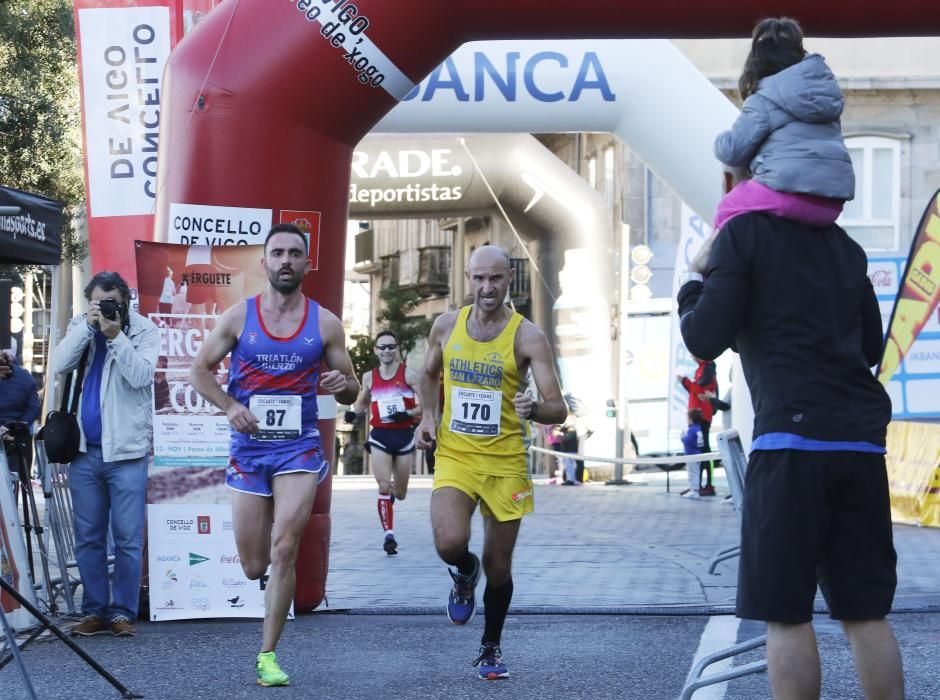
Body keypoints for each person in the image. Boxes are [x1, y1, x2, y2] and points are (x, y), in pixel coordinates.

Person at [677, 166, 904, 699]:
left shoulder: (743, 235)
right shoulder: (843, 244)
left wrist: (694, 279)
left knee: (783, 613)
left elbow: (703, 336)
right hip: (860, 444)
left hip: (791, 447)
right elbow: (870, 347)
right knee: (866, 612)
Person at [190, 223, 359, 688]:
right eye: (278, 253)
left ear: (308, 263)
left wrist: (342, 385)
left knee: (285, 548)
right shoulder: (238, 318)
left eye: (295, 253)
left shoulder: (324, 323)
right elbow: (198, 371)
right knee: (253, 565)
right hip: (250, 448)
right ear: (264, 263)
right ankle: (266, 566)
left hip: (299, 448)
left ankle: (268, 655)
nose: (286, 260)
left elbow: (352, 389)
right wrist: (230, 406)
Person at [415, 245, 566, 680]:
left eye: (495, 279)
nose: (486, 288)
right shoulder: (446, 326)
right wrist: (428, 417)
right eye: (479, 279)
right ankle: (464, 573)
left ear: (508, 280)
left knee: (500, 566)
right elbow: (428, 373)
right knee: (448, 541)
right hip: (457, 455)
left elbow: (558, 407)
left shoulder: (528, 337)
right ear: (468, 278)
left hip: (505, 463)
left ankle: (490, 646)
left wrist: (534, 408)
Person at [54, 271, 159, 638]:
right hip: (84, 452)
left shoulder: (143, 331)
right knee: (88, 537)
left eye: (112, 302)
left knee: (128, 538)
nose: (105, 309)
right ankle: (95, 611)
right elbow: (60, 364)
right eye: (98, 302)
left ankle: (122, 613)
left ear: (126, 301)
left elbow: (142, 376)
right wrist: (88, 326)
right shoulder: (81, 326)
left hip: (127, 452)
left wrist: (116, 337)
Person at [713, 17, 854, 233]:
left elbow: (732, 151)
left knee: (728, 206)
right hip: (831, 205)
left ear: (757, 62)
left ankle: (710, 263)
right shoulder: (825, 97)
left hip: (788, 196)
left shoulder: (763, 99)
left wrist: (720, 138)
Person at [345, 329, 422, 555]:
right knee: (383, 485)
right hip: (379, 435)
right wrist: (353, 414)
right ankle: (389, 535)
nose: (386, 351)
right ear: (376, 351)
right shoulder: (369, 377)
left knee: (400, 492)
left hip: (403, 437)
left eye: (391, 346)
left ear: (397, 349)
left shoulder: (409, 376)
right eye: (382, 347)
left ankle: (390, 500)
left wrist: (407, 414)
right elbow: (362, 403)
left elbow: (423, 407)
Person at [677, 357, 717, 495]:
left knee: (704, 451)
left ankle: (709, 485)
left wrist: (685, 381)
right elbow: (696, 390)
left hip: (702, 415)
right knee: (697, 451)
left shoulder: (708, 367)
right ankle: (696, 485)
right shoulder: (701, 368)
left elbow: (700, 390)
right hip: (696, 414)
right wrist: (686, 383)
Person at [0, 339, 41, 471]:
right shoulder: (26, 377)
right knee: (16, 478)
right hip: (17, 437)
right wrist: (19, 425)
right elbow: (34, 408)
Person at [679, 409, 705, 499]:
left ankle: (694, 491)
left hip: (691, 455)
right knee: (696, 473)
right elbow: (701, 443)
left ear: (691, 419)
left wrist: (682, 437)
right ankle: (694, 490)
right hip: (697, 453)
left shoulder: (692, 430)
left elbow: (687, 441)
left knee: (692, 473)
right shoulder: (698, 429)